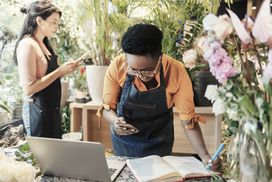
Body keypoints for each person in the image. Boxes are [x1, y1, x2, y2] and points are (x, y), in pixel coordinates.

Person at [99, 23, 220, 170]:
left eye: (147, 70)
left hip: (159, 143)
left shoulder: (176, 71)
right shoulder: (117, 66)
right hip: (124, 143)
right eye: (133, 70)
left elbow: (188, 120)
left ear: (160, 57)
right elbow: (107, 109)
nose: (140, 76)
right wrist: (116, 121)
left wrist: (204, 156)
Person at [14, 0, 78, 138]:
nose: (56, 27)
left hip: (51, 110)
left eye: (58, 23)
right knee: (41, 158)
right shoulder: (28, 45)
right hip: (37, 112)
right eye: (53, 22)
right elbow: (29, 89)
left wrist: (66, 69)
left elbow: (47, 79)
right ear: (39, 20)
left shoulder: (43, 44)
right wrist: (60, 71)